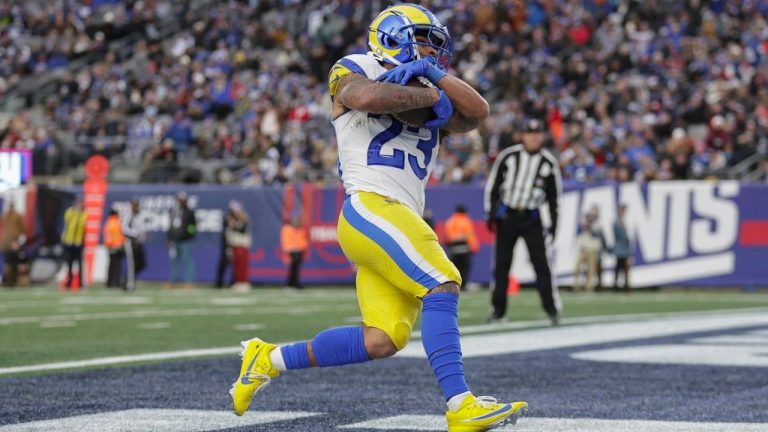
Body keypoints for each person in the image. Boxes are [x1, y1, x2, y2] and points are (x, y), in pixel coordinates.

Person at [230, 5, 528, 431]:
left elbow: (478, 113)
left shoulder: (428, 80)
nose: (431, 50)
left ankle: (268, 358)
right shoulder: (357, 67)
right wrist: (432, 96)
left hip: (395, 216)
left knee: (383, 338)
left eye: (435, 46)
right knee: (442, 280)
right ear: (390, 36)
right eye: (423, 40)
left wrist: (434, 76)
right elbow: (366, 97)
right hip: (371, 205)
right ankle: (461, 404)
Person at [484, 118, 562, 326]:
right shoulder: (509, 156)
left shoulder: (548, 163)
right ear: (523, 136)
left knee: (541, 265)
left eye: (537, 134)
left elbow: (554, 198)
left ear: (542, 136)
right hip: (508, 216)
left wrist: (554, 224)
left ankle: (552, 309)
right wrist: (490, 213)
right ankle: (498, 311)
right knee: (501, 265)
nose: (534, 137)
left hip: (531, 217)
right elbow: (493, 186)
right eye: (530, 133)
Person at [444, 204, 479, 291]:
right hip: (465, 250)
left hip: (454, 250)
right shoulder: (466, 221)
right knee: (464, 269)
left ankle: (455, 285)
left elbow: (447, 238)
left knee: (455, 269)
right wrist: (474, 248)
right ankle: (463, 285)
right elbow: (470, 236)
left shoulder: (450, 221)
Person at [167, 192, 196, 288]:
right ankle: (173, 281)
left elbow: (193, 227)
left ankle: (189, 281)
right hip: (175, 240)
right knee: (174, 261)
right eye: (179, 200)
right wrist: (169, 238)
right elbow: (170, 225)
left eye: (182, 200)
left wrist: (189, 235)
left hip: (186, 241)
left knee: (187, 260)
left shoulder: (189, 212)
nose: (180, 202)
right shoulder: (173, 211)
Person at [573, 207, 605, 293]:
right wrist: (583, 227)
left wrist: (590, 228)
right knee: (577, 267)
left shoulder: (598, 225)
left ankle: (588, 287)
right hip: (583, 249)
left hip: (592, 250)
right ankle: (576, 285)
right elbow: (577, 233)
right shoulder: (583, 223)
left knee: (591, 270)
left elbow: (597, 235)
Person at [122, 199, 147, 291]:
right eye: (134, 205)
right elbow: (124, 229)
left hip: (138, 243)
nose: (136, 207)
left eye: (137, 205)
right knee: (131, 264)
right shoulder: (128, 216)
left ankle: (128, 279)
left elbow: (143, 229)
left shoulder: (141, 215)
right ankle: (129, 284)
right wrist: (135, 234)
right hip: (130, 242)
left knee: (141, 263)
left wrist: (142, 237)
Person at [226, 201, 252, 292]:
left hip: (241, 244)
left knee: (242, 265)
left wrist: (234, 224)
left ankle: (243, 282)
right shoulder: (230, 220)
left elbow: (242, 229)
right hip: (234, 244)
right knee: (236, 265)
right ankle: (238, 282)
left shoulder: (243, 219)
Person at [61, 199, 87, 290]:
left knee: (80, 264)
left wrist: (79, 213)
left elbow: (83, 224)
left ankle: (80, 284)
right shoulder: (70, 212)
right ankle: (69, 283)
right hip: (69, 241)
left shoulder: (84, 213)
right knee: (69, 264)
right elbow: (68, 222)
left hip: (78, 242)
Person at [280, 216, 308, 290]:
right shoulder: (287, 229)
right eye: (295, 220)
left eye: (297, 220)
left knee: (296, 268)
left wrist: (302, 248)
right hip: (291, 251)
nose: (296, 222)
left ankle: (295, 283)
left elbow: (303, 240)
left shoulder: (300, 229)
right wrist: (290, 249)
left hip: (299, 250)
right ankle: (290, 284)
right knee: (292, 268)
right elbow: (286, 241)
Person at [1, 201, 25, 281]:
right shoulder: (5, 215)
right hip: (7, 241)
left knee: (17, 261)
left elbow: (22, 228)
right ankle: (8, 279)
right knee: (8, 263)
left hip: (15, 239)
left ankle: (17, 278)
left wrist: (18, 240)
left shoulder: (17, 215)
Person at [215, 202, 236, 288]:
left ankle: (233, 282)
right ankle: (219, 283)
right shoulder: (226, 218)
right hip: (226, 245)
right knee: (223, 264)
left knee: (235, 265)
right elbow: (226, 230)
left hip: (235, 244)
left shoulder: (238, 219)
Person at [103, 208, 125, 288]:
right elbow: (120, 234)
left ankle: (110, 282)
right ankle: (116, 281)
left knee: (112, 265)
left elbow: (107, 235)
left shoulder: (109, 222)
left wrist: (109, 245)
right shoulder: (116, 222)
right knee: (116, 265)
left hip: (111, 246)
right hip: (116, 246)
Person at [613, 204, 632, 292]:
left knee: (626, 269)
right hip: (620, 249)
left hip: (625, 249)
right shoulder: (617, 222)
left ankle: (626, 286)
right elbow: (618, 235)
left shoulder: (625, 221)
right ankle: (616, 286)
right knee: (618, 268)